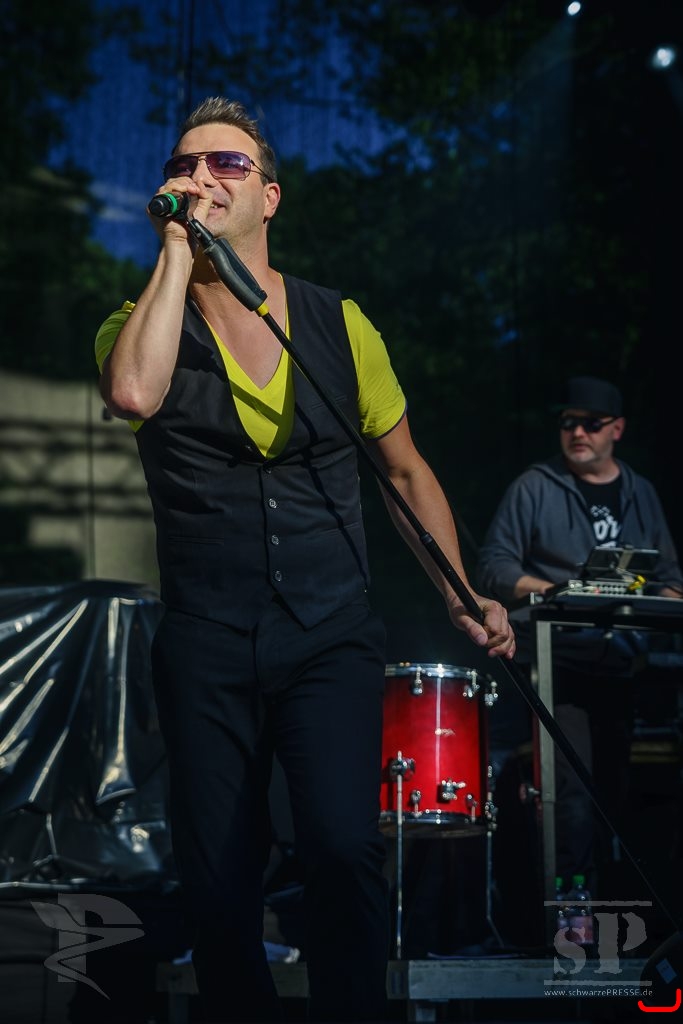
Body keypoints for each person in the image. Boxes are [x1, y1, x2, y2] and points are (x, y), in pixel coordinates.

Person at [95, 96, 515, 1024]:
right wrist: (177, 251)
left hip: (327, 630)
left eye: (227, 164)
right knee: (219, 877)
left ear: (270, 197)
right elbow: (132, 394)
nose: (202, 177)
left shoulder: (339, 322)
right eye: (184, 164)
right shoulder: (137, 324)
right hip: (207, 638)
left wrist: (459, 594)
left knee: (338, 845)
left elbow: (402, 470)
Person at [477, 375, 683, 903]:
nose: (577, 433)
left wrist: (660, 602)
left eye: (590, 423)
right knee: (569, 794)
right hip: (557, 664)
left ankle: (618, 916)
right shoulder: (534, 486)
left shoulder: (640, 492)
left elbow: (669, 578)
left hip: (620, 665)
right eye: (568, 422)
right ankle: (572, 921)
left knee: (614, 793)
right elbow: (495, 566)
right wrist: (560, 591)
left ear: (617, 429)